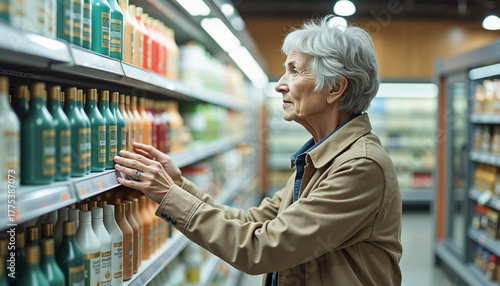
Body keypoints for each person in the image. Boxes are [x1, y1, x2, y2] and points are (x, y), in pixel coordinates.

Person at [114, 15, 402, 286]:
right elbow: (253, 222)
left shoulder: (359, 166)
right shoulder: (320, 157)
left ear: (335, 88)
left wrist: (168, 196)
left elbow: (262, 248)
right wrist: (178, 186)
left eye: (294, 71)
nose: (279, 86)